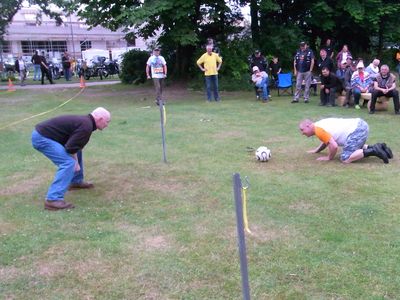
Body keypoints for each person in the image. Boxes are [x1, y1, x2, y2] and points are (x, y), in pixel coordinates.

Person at [31, 107, 111, 210]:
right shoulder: (86, 126)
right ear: (100, 119)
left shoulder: (86, 122)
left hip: (45, 135)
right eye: (107, 122)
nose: (107, 125)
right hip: (42, 138)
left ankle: (76, 182)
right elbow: (70, 148)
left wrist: (76, 161)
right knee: (68, 163)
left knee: (77, 152)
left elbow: (74, 145)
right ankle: (53, 200)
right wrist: (76, 163)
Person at [299, 118, 393, 164]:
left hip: (357, 129)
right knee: (352, 145)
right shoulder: (319, 126)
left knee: (345, 158)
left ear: (308, 125)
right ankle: (380, 147)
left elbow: (334, 146)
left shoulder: (318, 130)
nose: (302, 133)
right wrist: (316, 150)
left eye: (302, 130)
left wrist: (329, 157)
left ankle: (374, 151)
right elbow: (326, 141)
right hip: (360, 124)